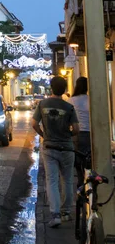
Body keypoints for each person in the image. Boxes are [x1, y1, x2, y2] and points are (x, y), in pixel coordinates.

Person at [32, 76, 79, 228]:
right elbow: (76, 129)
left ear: (51, 88)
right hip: (67, 148)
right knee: (67, 179)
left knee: (51, 181)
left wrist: (43, 135)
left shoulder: (42, 104)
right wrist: (68, 136)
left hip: (49, 147)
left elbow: (34, 124)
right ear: (64, 90)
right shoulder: (69, 107)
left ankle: (55, 214)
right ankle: (66, 212)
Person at [69, 77, 90, 185]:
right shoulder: (90, 99)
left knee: (78, 160)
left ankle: (81, 182)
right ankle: (88, 182)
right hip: (89, 133)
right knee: (89, 159)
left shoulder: (71, 100)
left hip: (76, 133)